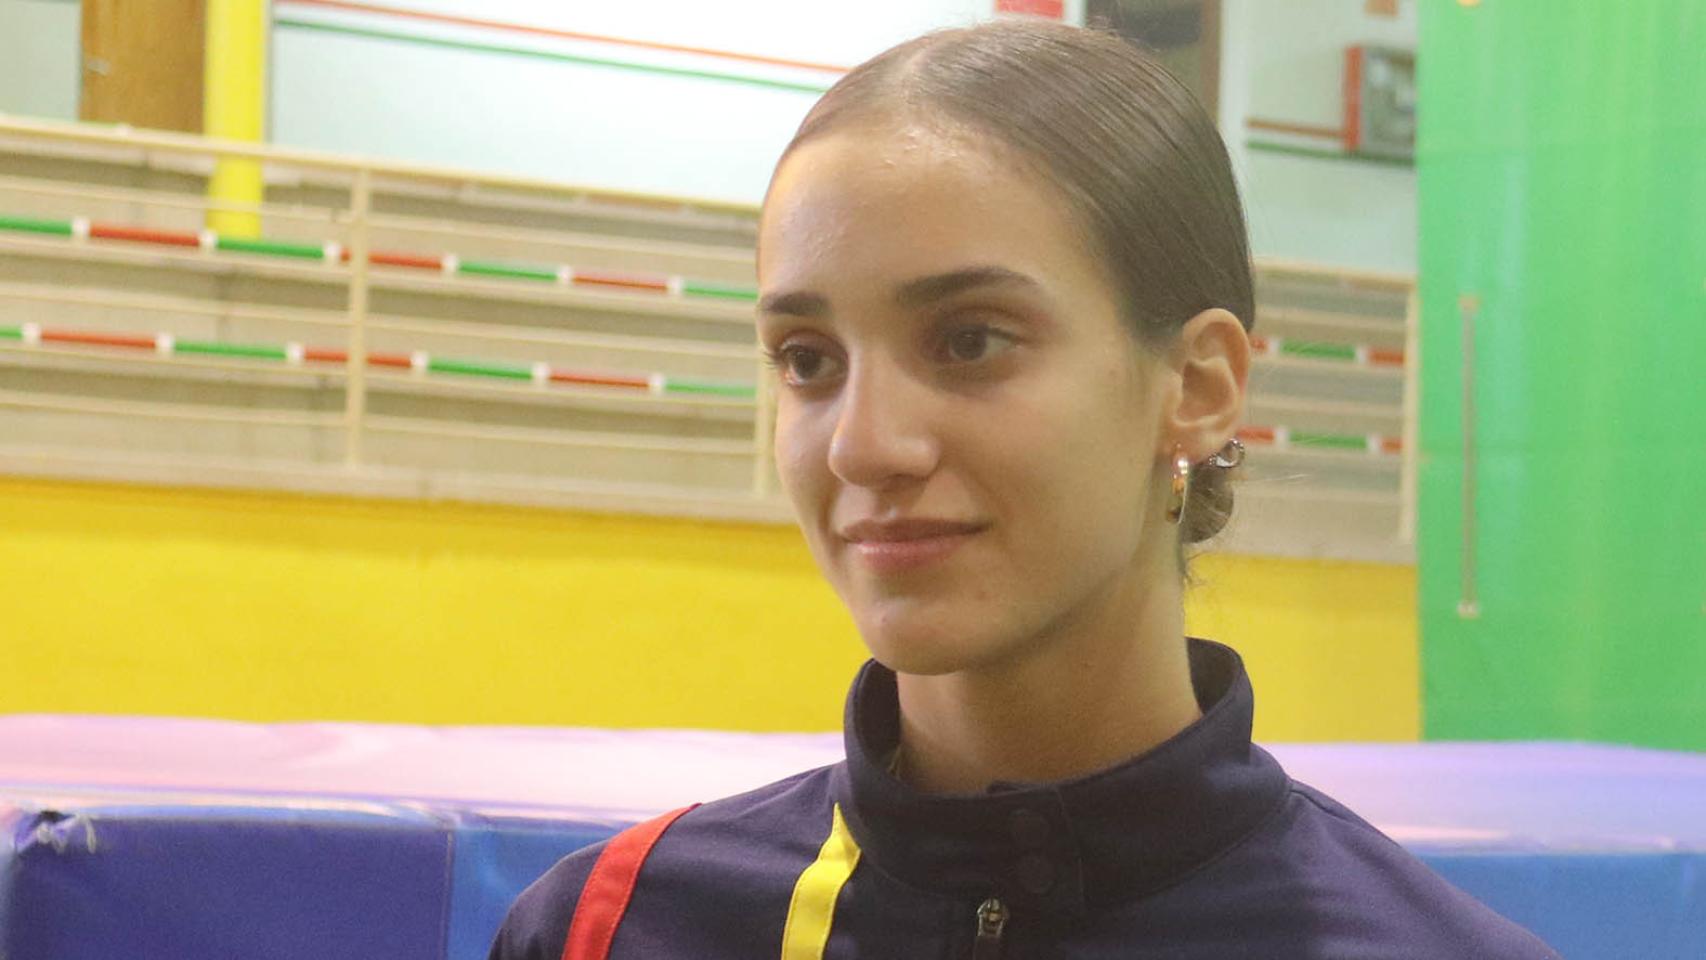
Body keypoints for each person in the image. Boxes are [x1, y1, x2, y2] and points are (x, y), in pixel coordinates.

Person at [490, 19, 1560, 959]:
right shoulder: (611, 929)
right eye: (808, 359)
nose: (863, 446)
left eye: (969, 341)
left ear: (1196, 387)